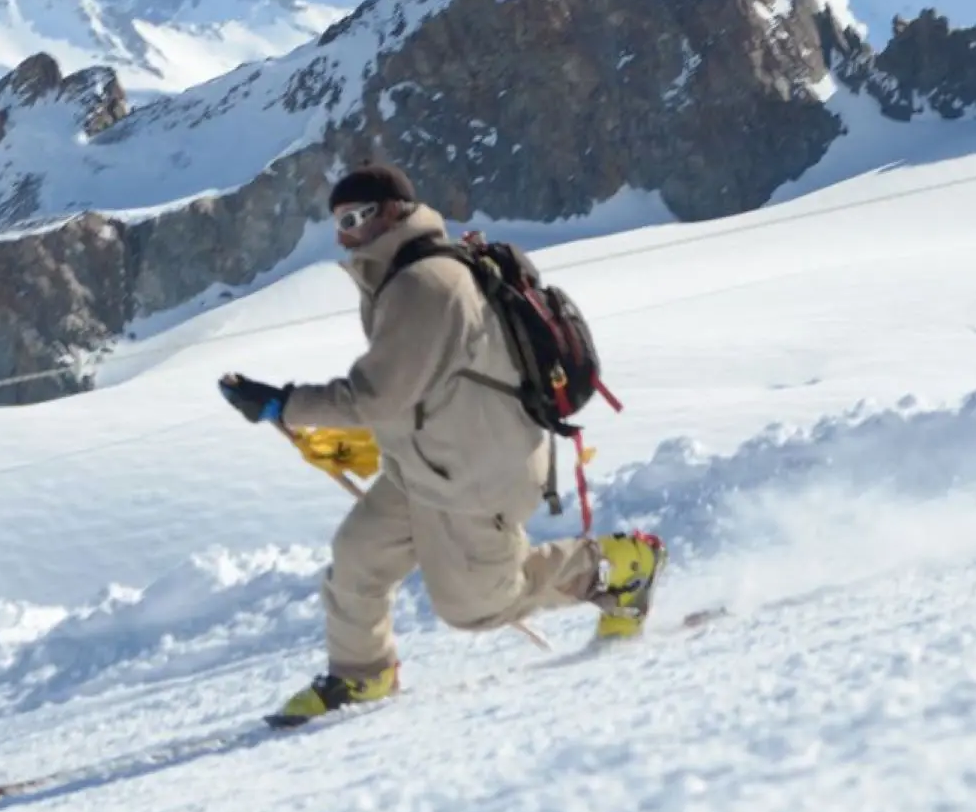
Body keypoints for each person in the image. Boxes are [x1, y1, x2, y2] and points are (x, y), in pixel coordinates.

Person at [217, 161, 666, 726]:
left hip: (477, 474)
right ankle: (363, 674)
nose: (343, 234)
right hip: (424, 465)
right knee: (358, 558)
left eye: (354, 217)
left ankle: (624, 568)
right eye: (337, 221)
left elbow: (377, 396)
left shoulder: (427, 286)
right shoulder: (399, 275)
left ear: (393, 213)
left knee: (480, 607)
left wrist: (283, 403)